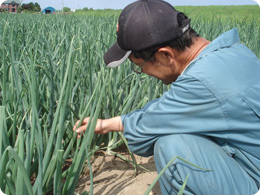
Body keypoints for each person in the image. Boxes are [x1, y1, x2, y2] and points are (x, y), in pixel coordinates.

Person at [73, 0, 260, 194]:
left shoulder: (201, 83)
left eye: (139, 66)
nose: (142, 72)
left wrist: (123, 126)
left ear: (165, 56)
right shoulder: (231, 52)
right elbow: (170, 108)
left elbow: (143, 138)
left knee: (172, 148)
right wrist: (109, 124)